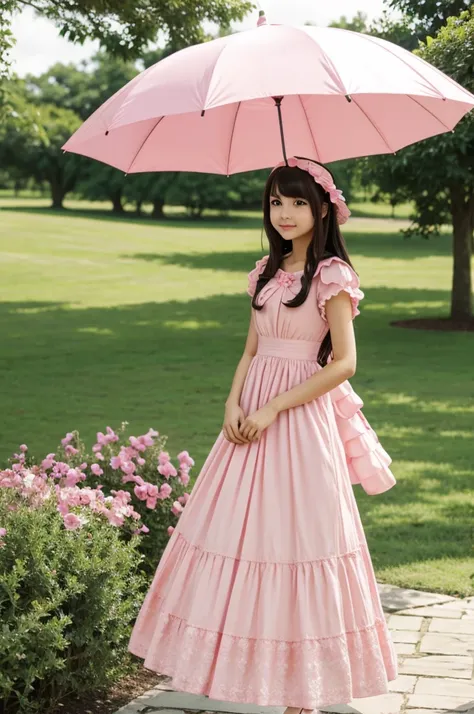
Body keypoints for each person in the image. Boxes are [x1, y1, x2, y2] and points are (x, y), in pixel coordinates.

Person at [128, 155, 399, 714]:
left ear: (323, 209)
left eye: (298, 201)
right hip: (249, 419)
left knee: (300, 540)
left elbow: (344, 363)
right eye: (277, 201)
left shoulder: (332, 277)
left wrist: (275, 406)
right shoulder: (263, 274)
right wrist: (234, 401)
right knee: (242, 536)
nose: (286, 213)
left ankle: (306, 690)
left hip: (297, 419)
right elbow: (252, 349)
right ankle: (243, 669)